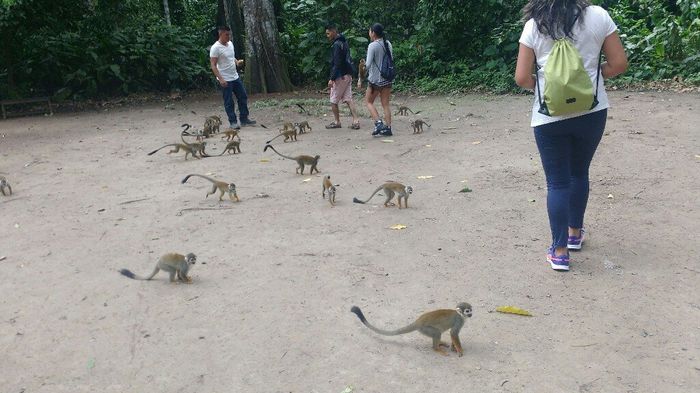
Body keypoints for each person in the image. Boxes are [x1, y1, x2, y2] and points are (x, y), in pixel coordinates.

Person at [515, 0, 627, 271]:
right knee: (579, 172)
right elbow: (619, 63)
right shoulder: (598, 16)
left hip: (548, 117)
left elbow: (521, 77)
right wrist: (590, 79)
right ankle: (575, 233)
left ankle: (560, 251)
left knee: (557, 183)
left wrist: (548, 88)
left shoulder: (534, 26)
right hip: (592, 111)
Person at [210, 26, 256, 129]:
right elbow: (213, 65)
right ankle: (233, 122)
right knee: (229, 101)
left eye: (229, 34)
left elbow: (231, 56)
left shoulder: (230, 44)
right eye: (227, 35)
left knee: (243, 96)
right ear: (220, 34)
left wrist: (236, 61)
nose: (229, 36)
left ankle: (244, 118)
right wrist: (221, 79)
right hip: (225, 78)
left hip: (235, 76)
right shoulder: (215, 48)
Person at [324, 23, 361, 130]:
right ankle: (356, 120)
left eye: (328, 33)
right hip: (348, 74)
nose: (328, 36)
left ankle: (337, 122)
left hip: (340, 76)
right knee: (348, 99)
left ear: (334, 31)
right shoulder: (344, 42)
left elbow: (337, 63)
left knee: (333, 100)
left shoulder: (336, 45)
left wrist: (332, 78)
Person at [364, 23, 394, 137]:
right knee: (385, 104)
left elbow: (367, 65)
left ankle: (378, 122)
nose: (369, 33)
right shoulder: (388, 43)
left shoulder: (372, 46)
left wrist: (361, 68)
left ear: (373, 33)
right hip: (387, 78)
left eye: (370, 31)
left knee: (368, 101)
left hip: (375, 80)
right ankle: (388, 128)